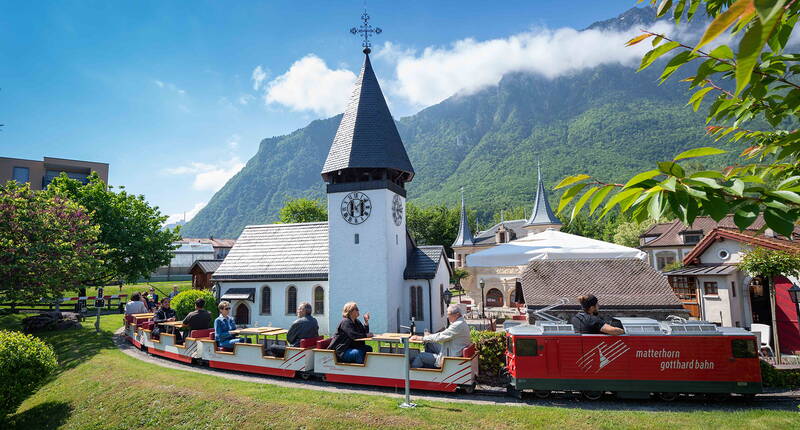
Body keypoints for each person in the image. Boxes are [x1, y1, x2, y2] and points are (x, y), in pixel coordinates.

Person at [409, 304, 471, 369]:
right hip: (452, 349)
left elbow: (440, 337)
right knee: (430, 344)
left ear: (457, 314)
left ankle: (413, 374)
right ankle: (430, 365)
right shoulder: (461, 322)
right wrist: (430, 336)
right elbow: (443, 335)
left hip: (450, 357)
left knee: (420, 356)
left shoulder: (458, 325)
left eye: (449, 314)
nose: (447, 316)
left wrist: (421, 338)